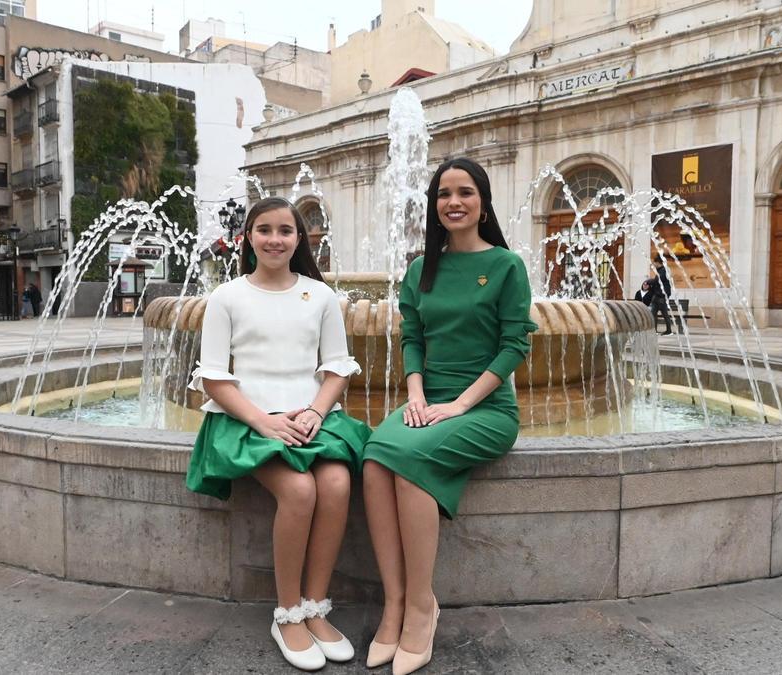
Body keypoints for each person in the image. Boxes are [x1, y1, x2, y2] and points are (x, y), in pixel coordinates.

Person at [361, 157, 537, 674]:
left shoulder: (506, 265)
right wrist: (415, 393)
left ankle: (422, 607)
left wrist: (459, 404)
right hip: (428, 398)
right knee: (374, 460)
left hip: (485, 406)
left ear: (482, 203)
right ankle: (394, 603)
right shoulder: (421, 269)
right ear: (434, 206)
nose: (453, 202)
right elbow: (412, 338)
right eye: (443, 194)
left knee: (410, 463)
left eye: (464, 192)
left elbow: (514, 347)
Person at [185, 196, 370, 671]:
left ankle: (315, 606)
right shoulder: (227, 297)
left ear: (298, 239)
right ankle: (287, 614)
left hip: (311, 417)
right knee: (300, 489)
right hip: (248, 420)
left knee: (337, 482)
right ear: (248, 237)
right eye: (263, 229)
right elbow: (212, 377)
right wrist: (264, 421)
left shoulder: (320, 295)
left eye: (285, 230)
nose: (274, 239)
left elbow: (335, 370)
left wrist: (314, 411)